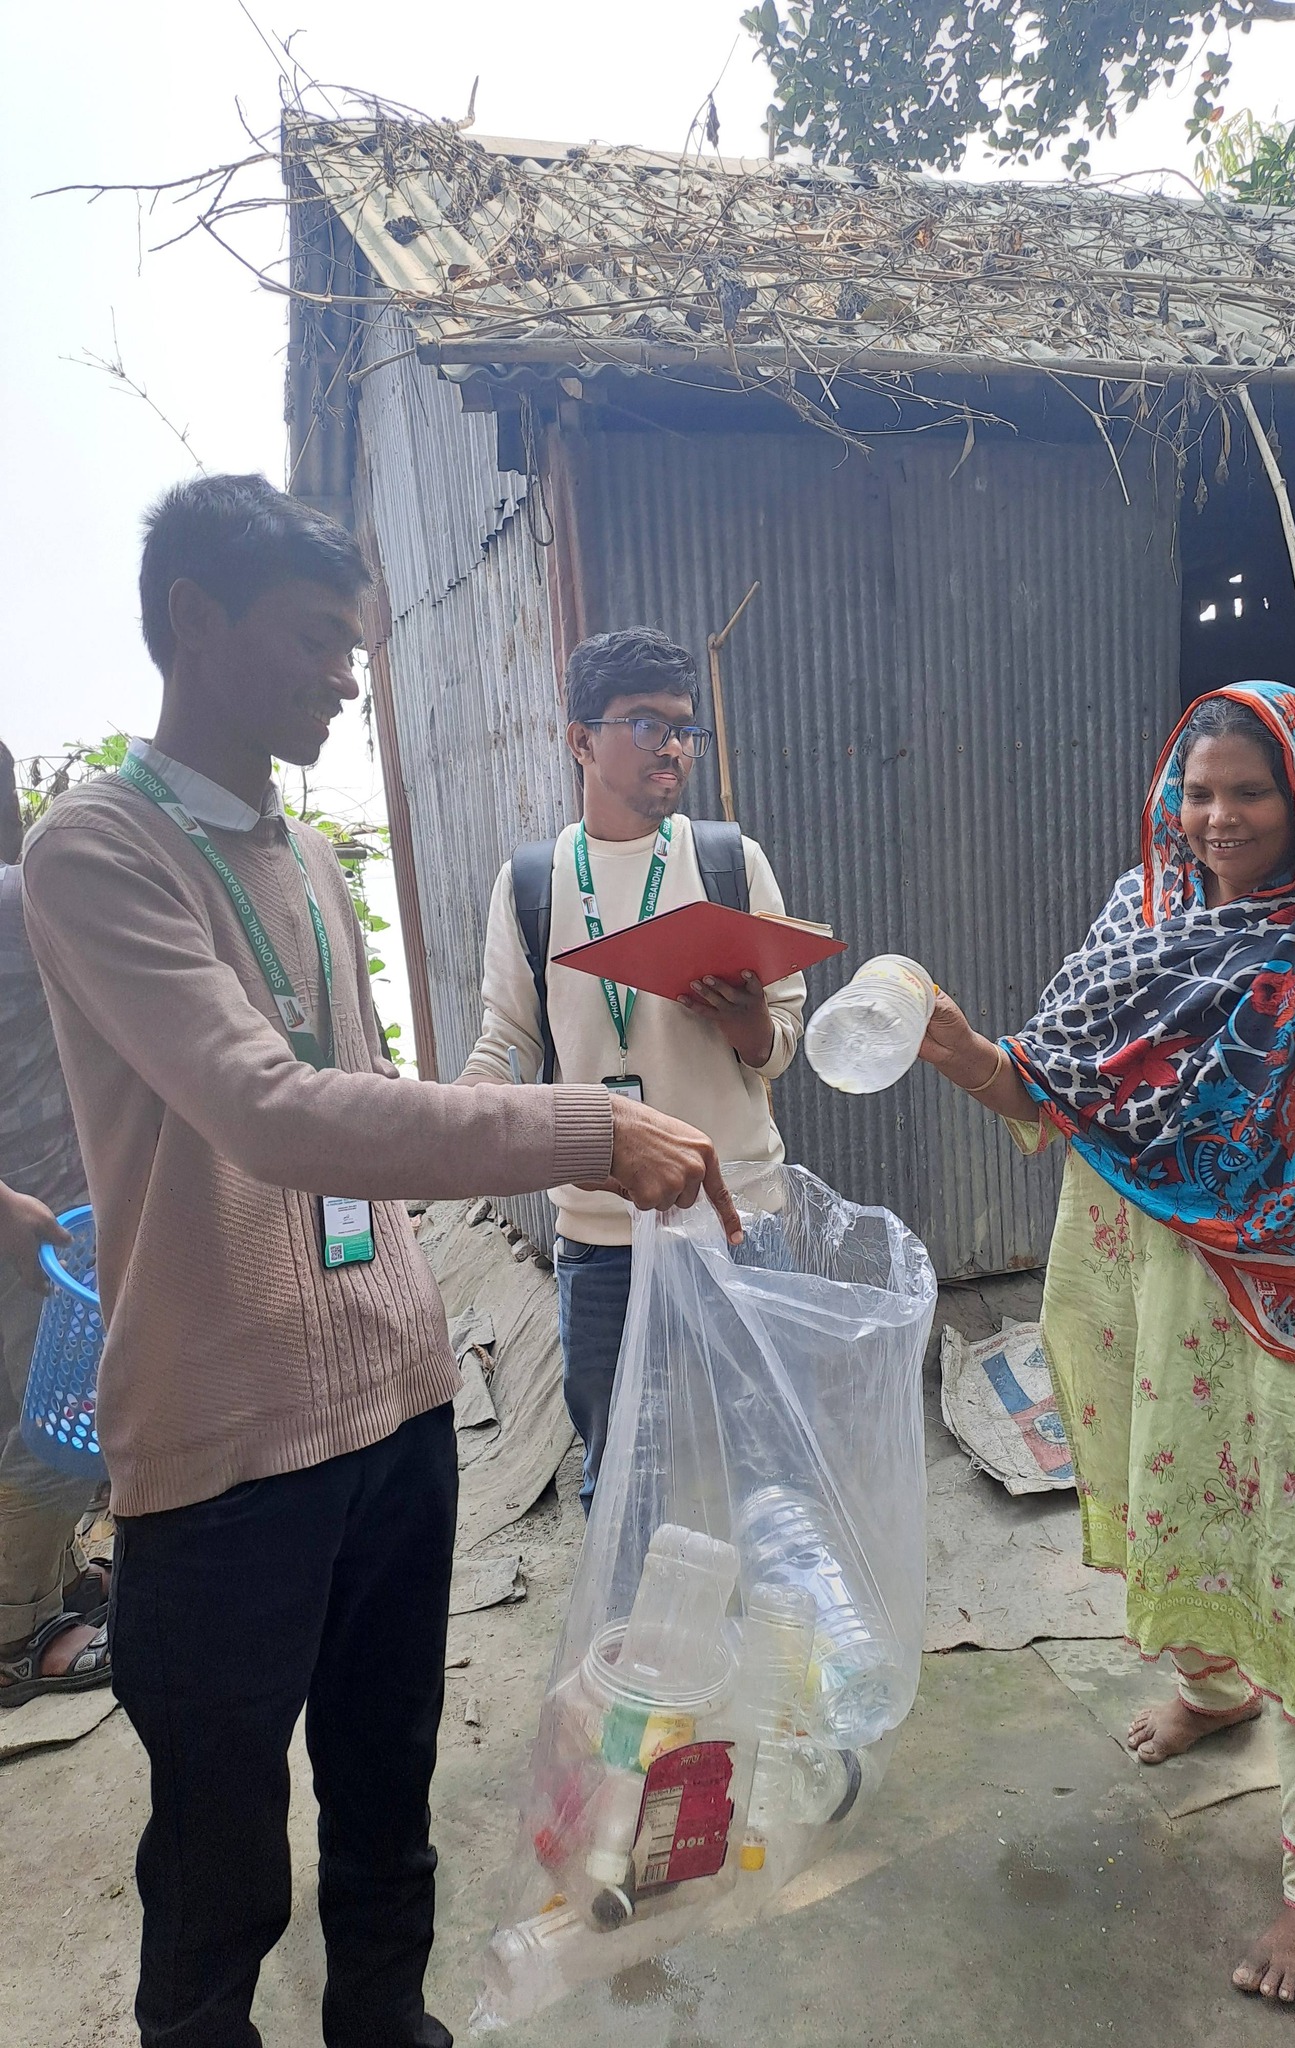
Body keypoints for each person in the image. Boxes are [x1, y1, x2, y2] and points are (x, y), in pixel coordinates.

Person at [21, 476, 742, 2048]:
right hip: (224, 1454)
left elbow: (360, 1092)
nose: (348, 680)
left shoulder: (297, 852)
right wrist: (585, 1129)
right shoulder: (98, 852)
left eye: (355, 647)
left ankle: (387, 2025)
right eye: (315, 642)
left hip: (399, 1415)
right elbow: (271, 1112)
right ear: (194, 621)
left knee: (384, 1799)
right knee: (219, 1862)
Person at [917, 684, 1295, 2008]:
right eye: (1197, 790)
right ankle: (1213, 1681)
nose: (1218, 816)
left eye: (1250, 790)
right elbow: (1052, 1085)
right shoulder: (1144, 911)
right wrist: (961, 1052)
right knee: (1165, 1490)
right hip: (1138, 1274)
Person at [461, 627, 805, 1508]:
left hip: (736, 1221)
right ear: (581, 740)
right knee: (622, 1478)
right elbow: (507, 1040)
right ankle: (635, 1601)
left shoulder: (728, 864)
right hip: (600, 1236)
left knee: (764, 1466)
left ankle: (759, 1599)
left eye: (685, 730)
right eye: (646, 725)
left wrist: (746, 1022)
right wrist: (461, 1109)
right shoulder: (531, 884)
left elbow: (781, 1046)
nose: (674, 749)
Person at [0, 740, 109, 1705]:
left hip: (33, 1211)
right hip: (32, 1223)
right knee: (52, 1430)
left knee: (31, 1419)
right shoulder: (17, 901)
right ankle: (18, 1636)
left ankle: (48, 1587)